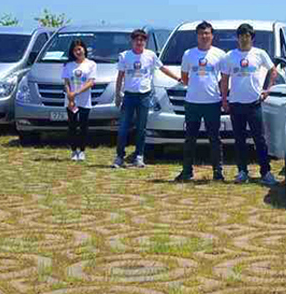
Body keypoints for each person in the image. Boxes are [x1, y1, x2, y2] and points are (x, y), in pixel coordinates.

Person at [112, 29, 181, 169]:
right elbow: (120, 76)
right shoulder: (125, 56)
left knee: (141, 128)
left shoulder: (150, 56)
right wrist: (118, 94)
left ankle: (139, 156)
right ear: (132, 41)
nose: (139, 43)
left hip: (144, 96)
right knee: (123, 127)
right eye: (136, 40)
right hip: (129, 96)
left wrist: (178, 78)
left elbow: (162, 69)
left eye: (142, 40)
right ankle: (119, 156)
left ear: (145, 42)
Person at [220, 23, 279, 185]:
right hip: (236, 104)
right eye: (241, 36)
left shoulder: (260, 54)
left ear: (252, 38)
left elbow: (273, 70)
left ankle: (265, 172)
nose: (244, 39)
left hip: (254, 103)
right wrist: (224, 99)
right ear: (237, 38)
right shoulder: (229, 56)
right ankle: (242, 171)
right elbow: (224, 79)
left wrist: (268, 90)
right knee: (239, 140)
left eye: (247, 36)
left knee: (259, 139)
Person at [174, 21, 226, 183]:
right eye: (201, 33)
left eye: (207, 33)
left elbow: (224, 78)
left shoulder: (220, 54)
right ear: (197, 36)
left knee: (214, 138)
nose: (204, 36)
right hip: (192, 102)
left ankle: (218, 172)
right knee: (190, 138)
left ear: (212, 36)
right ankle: (187, 171)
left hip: (212, 102)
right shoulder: (188, 54)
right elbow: (184, 77)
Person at [62, 39, 97, 162]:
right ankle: (73, 151)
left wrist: (76, 92)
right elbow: (66, 82)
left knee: (83, 126)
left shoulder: (91, 64)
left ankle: (82, 151)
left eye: (80, 48)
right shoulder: (68, 65)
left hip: (84, 100)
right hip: (71, 100)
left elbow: (91, 82)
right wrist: (70, 94)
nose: (78, 51)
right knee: (72, 126)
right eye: (75, 49)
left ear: (84, 49)